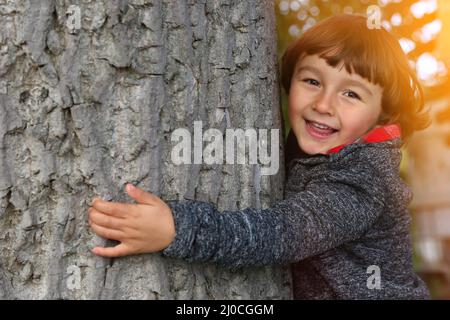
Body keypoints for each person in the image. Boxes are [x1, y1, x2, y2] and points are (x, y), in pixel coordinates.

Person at [87, 14, 430, 299]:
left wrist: (177, 229)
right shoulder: (318, 147)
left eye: (351, 93)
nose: (323, 105)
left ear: (383, 114)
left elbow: (281, 234)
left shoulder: (362, 180)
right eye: (312, 80)